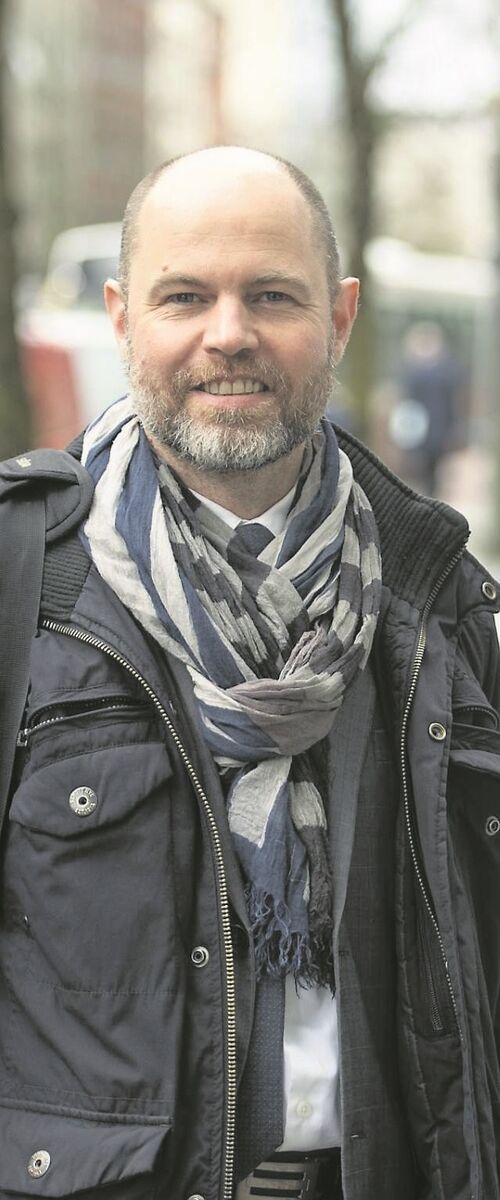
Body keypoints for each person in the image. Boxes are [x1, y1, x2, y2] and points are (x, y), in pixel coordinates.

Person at [0, 146, 498, 1200]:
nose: (228, 333)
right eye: (186, 295)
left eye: (270, 294)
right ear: (124, 316)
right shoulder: (20, 587)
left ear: (339, 317)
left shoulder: (437, 597)